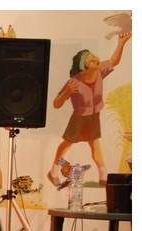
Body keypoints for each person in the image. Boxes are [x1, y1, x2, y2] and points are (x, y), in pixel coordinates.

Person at [47, 32, 131, 187]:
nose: (96, 59)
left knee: (94, 144)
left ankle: (103, 175)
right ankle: (53, 171)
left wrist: (121, 42)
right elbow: (56, 104)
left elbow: (114, 60)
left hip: (94, 116)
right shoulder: (74, 82)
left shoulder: (100, 72)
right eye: (91, 59)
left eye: (95, 56)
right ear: (83, 66)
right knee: (66, 144)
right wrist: (66, 93)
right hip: (79, 118)